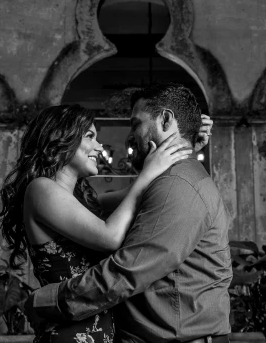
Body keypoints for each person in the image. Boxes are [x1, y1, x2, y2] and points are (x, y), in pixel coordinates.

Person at [26, 83, 232, 343]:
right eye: (90, 136)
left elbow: (128, 271)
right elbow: (119, 208)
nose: (125, 138)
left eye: (135, 124)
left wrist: (47, 301)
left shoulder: (177, 185)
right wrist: (179, 155)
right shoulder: (46, 192)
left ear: (166, 119)